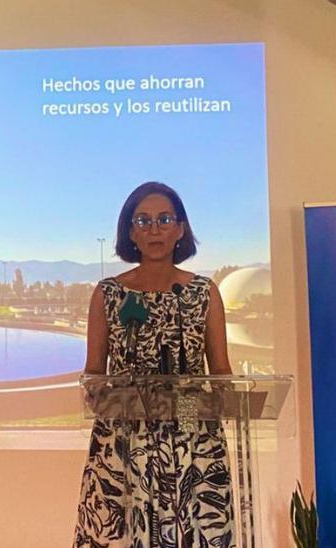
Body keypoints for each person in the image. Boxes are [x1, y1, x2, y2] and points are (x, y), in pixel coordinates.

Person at [74, 182, 234, 548]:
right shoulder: (108, 294)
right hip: (125, 436)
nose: (154, 229)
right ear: (130, 232)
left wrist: (231, 397)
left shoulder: (202, 292)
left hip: (192, 430)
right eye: (142, 221)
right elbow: (94, 375)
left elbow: (221, 372)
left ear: (180, 228)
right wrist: (108, 396)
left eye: (164, 219)